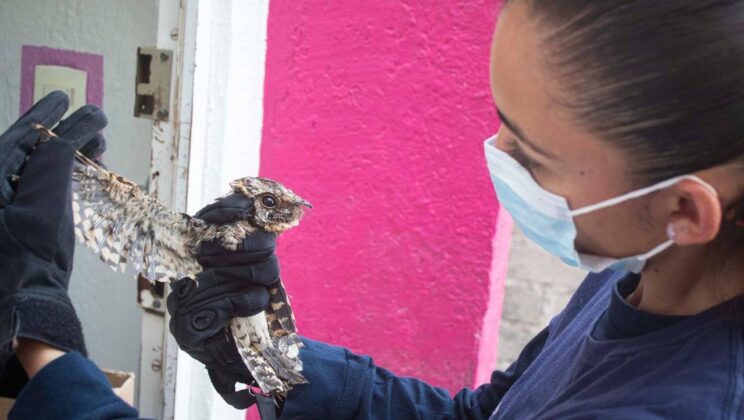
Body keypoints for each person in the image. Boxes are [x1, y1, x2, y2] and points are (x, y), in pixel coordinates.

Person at [1, 0, 743, 418]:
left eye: (529, 152)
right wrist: (266, 355)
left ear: (685, 206)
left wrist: (39, 328)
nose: (496, 155)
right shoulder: (650, 271)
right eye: (499, 121)